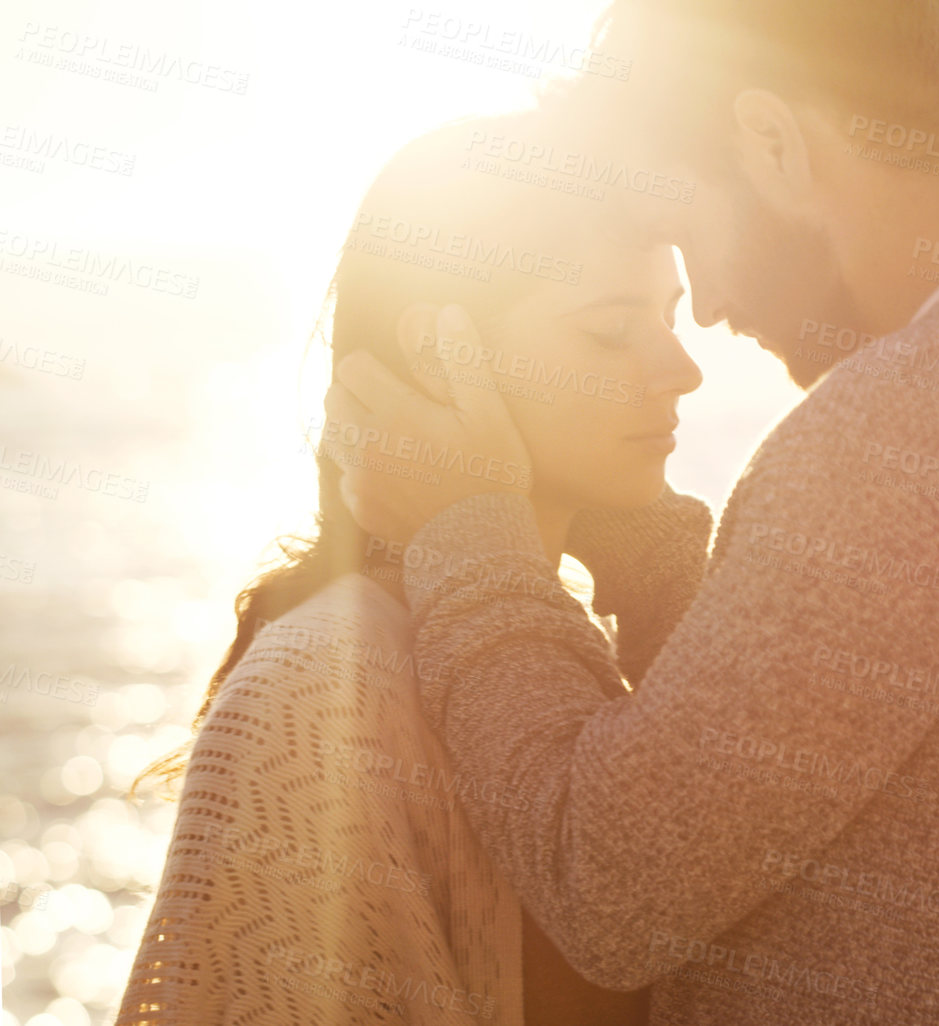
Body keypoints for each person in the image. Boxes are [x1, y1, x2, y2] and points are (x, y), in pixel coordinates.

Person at [327, 0, 939, 1021]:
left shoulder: (928, 412)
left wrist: (469, 532)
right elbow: (855, 790)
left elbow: (607, 887)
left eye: (689, 230)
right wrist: (656, 560)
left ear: (772, 142)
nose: (703, 306)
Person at [116, 108, 703, 1025]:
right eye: (609, 331)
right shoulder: (316, 688)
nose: (683, 370)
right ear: (443, 355)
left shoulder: (563, 651)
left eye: (670, 318)